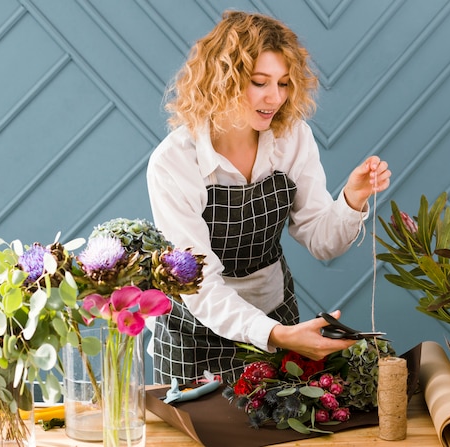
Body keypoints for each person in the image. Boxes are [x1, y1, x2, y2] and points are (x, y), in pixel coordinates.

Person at [146, 10, 391, 384]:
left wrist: (352, 199)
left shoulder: (292, 139)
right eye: (259, 82)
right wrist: (277, 335)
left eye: (285, 83)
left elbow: (321, 240)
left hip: (276, 315)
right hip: (193, 333)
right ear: (221, 80)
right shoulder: (175, 162)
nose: (274, 97)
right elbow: (201, 285)